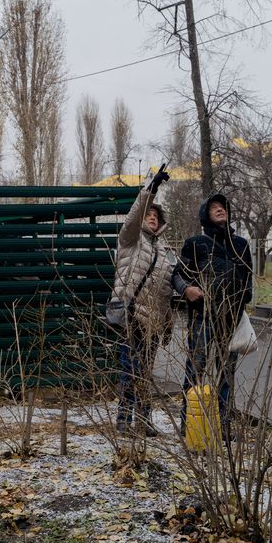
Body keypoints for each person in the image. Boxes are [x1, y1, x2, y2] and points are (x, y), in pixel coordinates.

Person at [171, 194, 252, 436]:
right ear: (205, 214)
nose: (220, 210)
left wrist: (243, 299)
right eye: (214, 207)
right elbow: (177, 275)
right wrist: (186, 289)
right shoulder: (195, 243)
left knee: (227, 373)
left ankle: (224, 425)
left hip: (232, 319)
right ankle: (190, 423)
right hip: (203, 318)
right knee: (196, 369)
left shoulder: (240, 245)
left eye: (223, 207)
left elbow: (248, 278)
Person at [110, 167, 174, 436]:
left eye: (155, 217)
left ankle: (144, 422)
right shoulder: (130, 241)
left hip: (153, 324)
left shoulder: (165, 252)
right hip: (131, 316)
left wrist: (167, 325)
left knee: (146, 374)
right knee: (130, 372)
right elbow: (132, 217)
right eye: (148, 215)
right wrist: (151, 189)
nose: (151, 218)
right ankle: (124, 420)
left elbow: (166, 291)